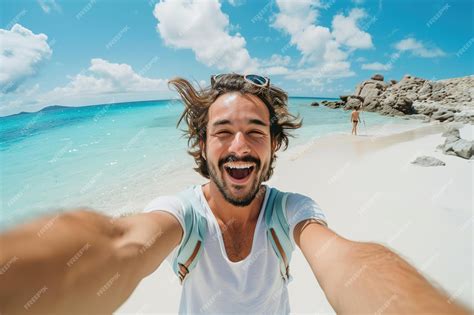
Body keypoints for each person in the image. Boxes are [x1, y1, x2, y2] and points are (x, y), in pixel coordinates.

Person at [0, 74, 470, 315]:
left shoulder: (292, 212)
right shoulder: (181, 213)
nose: (240, 146)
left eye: (255, 131)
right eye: (222, 132)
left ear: (274, 144)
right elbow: (117, 244)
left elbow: (352, 262)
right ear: (201, 146)